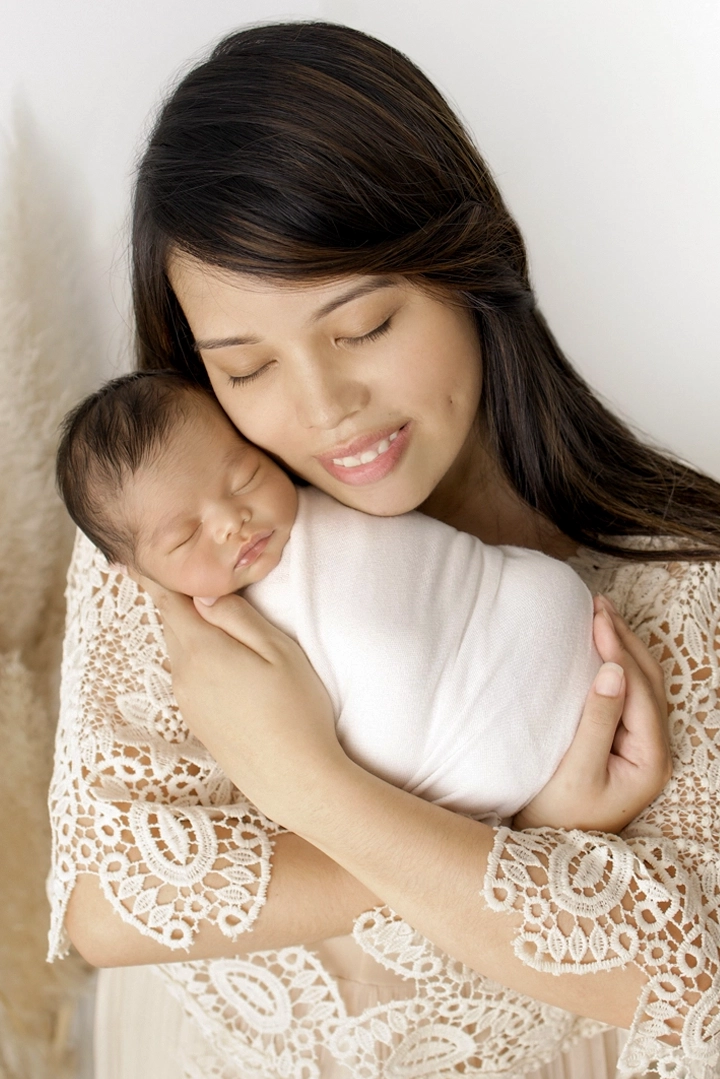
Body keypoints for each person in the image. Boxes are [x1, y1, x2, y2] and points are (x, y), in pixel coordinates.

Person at [48, 21, 720, 1079]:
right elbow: (106, 907)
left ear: (471, 265)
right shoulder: (187, 527)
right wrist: (521, 830)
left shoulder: (674, 590)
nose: (325, 409)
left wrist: (306, 783)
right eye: (245, 366)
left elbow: (694, 980)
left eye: (362, 328)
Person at [56, 369, 601, 821]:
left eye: (244, 478)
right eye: (184, 536)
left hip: (533, 613)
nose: (230, 521)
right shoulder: (218, 645)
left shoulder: (326, 488)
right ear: (136, 573)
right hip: (465, 751)